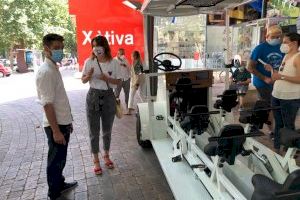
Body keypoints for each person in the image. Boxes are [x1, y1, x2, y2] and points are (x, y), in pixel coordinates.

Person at [35, 33, 77, 200]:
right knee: (55, 160)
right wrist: (56, 131)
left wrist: (68, 122)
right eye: (56, 48)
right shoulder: (45, 72)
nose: (60, 51)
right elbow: (47, 104)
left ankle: (60, 183)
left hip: (62, 123)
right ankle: (54, 193)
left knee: (60, 159)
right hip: (56, 126)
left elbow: (59, 99)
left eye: (61, 48)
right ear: (46, 49)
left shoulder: (53, 67)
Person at [81, 35, 121, 175]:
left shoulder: (114, 62)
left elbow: (119, 82)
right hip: (93, 96)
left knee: (107, 130)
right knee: (94, 131)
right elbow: (83, 81)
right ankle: (96, 159)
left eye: (99, 46)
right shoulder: (89, 62)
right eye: (94, 46)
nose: (96, 49)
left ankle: (106, 155)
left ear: (105, 47)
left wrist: (107, 78)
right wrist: (89, 75)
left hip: (109, 96)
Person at [247, 25, 284, 138]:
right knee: (270, 105)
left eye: (278, 37)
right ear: (267, 36)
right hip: (263, 83)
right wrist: (265, 78)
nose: (276, 39)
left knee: (273, 105)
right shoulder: (260, 49)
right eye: (273, 36)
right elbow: (250, 67)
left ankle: (262, 126)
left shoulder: (282, 47)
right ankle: (270, 130)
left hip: (277, 81)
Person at [265, 33, 300, 152]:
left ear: (294, 43)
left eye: (285, 42)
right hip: (277, 95)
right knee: (278, 123)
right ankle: (276, 148)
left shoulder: (298, 57)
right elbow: (283, 73)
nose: (282, 45)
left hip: (290, 98)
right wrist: (272, 71)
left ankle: (289, 152)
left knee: (288, 125)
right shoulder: (286, 55)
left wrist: (281, 77)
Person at [127, 50, 144, 115]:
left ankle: (129, 110)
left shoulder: (137, 64)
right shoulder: (136, 62)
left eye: (132, 55)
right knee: (139, 95)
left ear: (135, 56)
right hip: (134, 81)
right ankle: (130, 109)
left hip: (135, 82)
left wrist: (136, 84)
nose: (131, 56)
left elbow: (138, 75)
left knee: (132, 95)